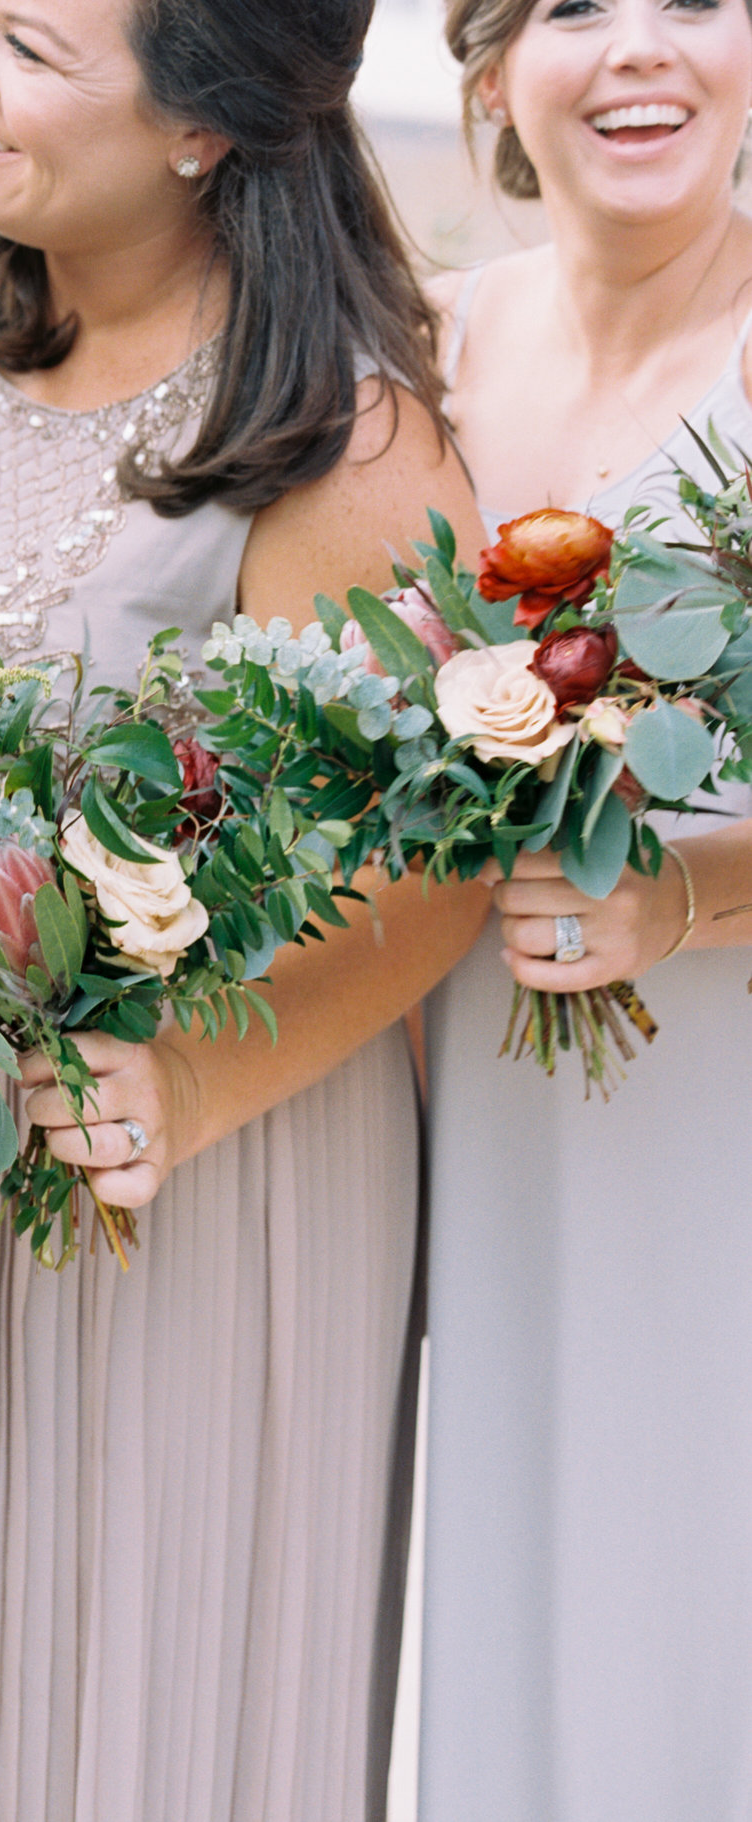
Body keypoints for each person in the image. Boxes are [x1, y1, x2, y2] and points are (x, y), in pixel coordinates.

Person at [0, 1, 489, 1816]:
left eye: (29, 46)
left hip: (182, 1183)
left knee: (127, 1733)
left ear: (203, 130)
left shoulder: (342, 433)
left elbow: (436, 863)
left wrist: (172, 1087)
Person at [421, 1, 752, 1814]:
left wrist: (677, 903)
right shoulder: (435, 348)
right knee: (528, 1587)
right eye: (572, 8)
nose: (641, 50)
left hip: (725, 1113)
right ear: (491, 82)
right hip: (491, 1091)